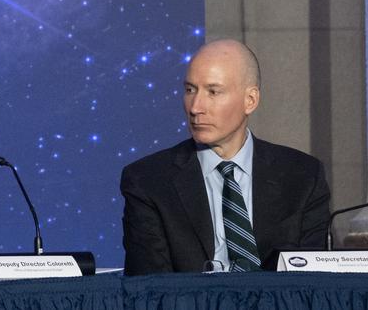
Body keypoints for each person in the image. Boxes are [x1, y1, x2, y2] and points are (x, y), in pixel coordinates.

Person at [120, 38, 330, 274]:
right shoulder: (147, 181)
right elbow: (149, 289)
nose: (196, 107)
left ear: (250, 100)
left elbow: (312, 284)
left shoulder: (303, 177)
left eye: (213, 92)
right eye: (190, 90)